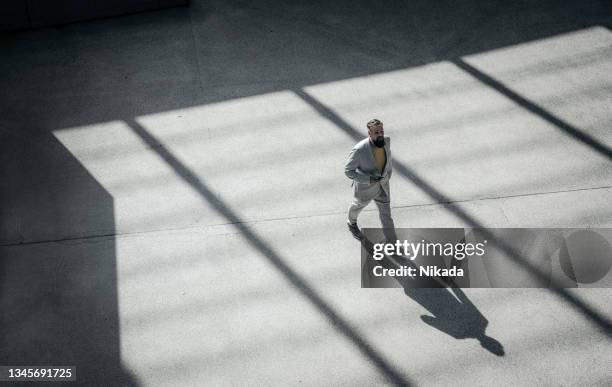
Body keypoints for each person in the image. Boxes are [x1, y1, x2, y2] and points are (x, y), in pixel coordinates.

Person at [344, 119, 396, 241]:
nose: (380, 134)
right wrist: (368, 179)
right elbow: (348, 171)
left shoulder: (386, 140)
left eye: (381, 131)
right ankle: (351, 223)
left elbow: (388, 159)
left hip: (383, 186)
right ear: (370, 133)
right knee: (357, 206)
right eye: (376, 132)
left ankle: (392, 243)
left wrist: (388, 174)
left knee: (387, 216)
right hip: (365, 188)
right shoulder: (359, 149)